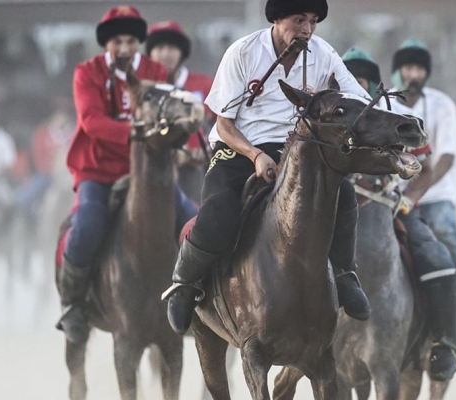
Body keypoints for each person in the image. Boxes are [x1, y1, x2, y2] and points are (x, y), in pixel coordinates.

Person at [162, 0, 371, 335]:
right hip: (239, 146)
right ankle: (184, 281)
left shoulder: (324, 53)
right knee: (219, 213)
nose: (307, 29)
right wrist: (256, 155)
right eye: (299, 20)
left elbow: (357, 98)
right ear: (276, 19)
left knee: (344, 194)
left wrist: (348, 104)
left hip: (300, 148)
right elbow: (224, 124)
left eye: (314, 21)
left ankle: (345, 275)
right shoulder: (242, 52)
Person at [57, 5, 198, 343]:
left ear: (139, 43)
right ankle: (74, 303)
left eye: (131, 42)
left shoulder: (155, 71)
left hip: (148, 172)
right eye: (117, 42)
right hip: (98, 171)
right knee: (88, 223)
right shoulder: (86, 73)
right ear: (107, 43)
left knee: (195, 220)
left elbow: (169, 117)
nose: (123, 49)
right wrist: (137, 133)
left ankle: (198, 297)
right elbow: (91, 122)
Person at [342, 45, 456, 380]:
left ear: (373, 82)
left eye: (362, 78)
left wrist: (407, 200)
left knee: (438, 259)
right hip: (336, 208)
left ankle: (442, 343)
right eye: (349, 77)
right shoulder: (331, 114)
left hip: (387, 205)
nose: (356, 84)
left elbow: (426, 168)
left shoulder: (393, 113)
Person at [389, 39, 456, 357]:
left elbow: (447, 157)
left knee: (449, 242)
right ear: (398, 71)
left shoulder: (442, 104)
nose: (413, 74)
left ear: (426, 74)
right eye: (407, 68)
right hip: (393, 194)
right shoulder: (385, 103)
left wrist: (419, 191)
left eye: (419, 69)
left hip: (436, 195)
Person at [146, 20, 216, 202]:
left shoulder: (205, 85)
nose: (165, 54)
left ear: (182, 53)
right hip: (151, 169)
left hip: (195, 171)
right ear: (150, 53)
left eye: (172, 48)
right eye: (160, 47)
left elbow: (221, 126)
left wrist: (207, 150)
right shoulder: (143, 89)